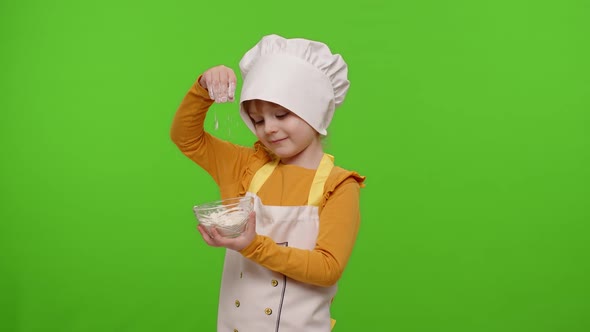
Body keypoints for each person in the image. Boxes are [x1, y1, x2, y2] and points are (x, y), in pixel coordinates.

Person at [170, 34, 365, 332]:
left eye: (281, 114)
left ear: (313, 110)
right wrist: (203, 90)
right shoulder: (245, 166)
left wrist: (253, 245)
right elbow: (186, 137)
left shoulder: (338, 185)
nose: (269, 129)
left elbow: (328, 268)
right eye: (258, 120)